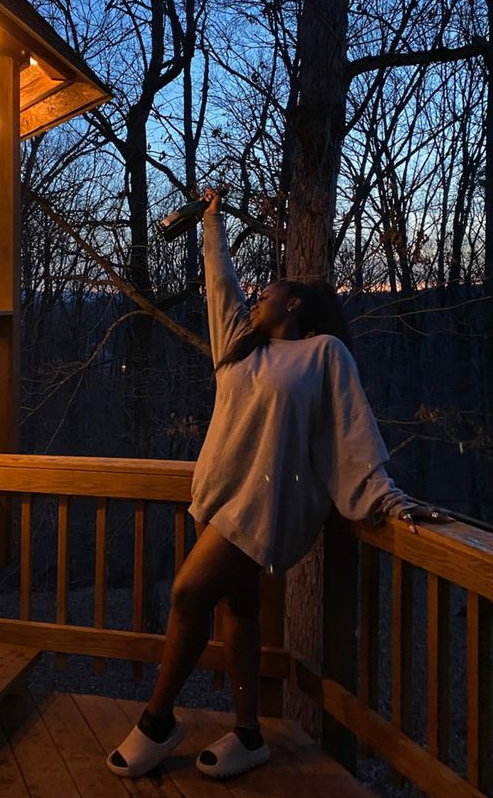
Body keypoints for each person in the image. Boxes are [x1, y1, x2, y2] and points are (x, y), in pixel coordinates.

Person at [106, 188, 451, 781]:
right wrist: (210, 223)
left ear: (294, 302)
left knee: (189, 594)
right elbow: (221, 288)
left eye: (269, 289)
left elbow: (352, 429)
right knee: (238, 610)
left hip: (267, 506)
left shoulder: (325, 354)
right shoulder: (240, 350)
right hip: (223, 497)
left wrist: (384, 498)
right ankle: (248, 735)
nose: (257, 294)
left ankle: (158, 722)